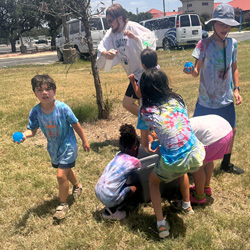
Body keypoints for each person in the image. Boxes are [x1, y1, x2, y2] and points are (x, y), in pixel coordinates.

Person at [137, 68, 205, 238]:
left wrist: (151, 141)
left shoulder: (145, 111)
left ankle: (161, 225)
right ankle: (187, 205)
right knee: (182, 169)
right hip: (196, 154)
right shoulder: (178, 99)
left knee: (153, 182)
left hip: (174, 161)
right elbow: (178, 125)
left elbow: (145, 143)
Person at [14, 75, 90, 220]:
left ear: (54, 91)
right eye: (39, 90)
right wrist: (24, 135)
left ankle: (63, 205)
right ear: (35, 93)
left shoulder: (62, 108)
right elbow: (33, 130)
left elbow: (76, 124)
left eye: (48, 89)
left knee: (61, 174)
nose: (44, 93)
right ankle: (77, 186)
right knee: (66, 170)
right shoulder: (35, 112)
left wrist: (84, 141)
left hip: (68, 145)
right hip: (54, 147)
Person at [184, 3, 243, 174]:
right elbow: (196, 72)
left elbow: (235, 68)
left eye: (228, 25)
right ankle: (192, 165)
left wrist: (237, 89)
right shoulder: (203, 44)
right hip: (206, 100)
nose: (225, 28)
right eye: (221, 24)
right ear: (213, 24)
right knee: (196, 134)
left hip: (225, 98)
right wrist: (189, 70)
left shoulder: (233, 44)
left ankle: (226, 164)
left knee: (231, 130)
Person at [96, 3, 156, 116]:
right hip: (133, 75)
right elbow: (101, 46)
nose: (109, 24)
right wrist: (105, 53)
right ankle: (149, 125)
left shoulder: (132, 26)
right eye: (107, 21)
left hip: (145, 73)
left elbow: (150, 40)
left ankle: (149, 120)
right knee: (142, 104)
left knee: (127, 103)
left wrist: (136, 38)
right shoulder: (111, 33)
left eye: (110, 21)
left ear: (120, 18)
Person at [95, 124, 141, 220]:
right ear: (136, 148)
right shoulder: (135, 162)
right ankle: (112, 211)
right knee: (136, 187)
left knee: (122, 184)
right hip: (109, 196)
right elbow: (142, 173)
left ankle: (113, 203)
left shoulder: (118, 155)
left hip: (98, 190)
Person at [189, 115, 233, 204]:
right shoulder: (188, 122)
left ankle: (199, 197)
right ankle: (206, 187)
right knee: (208, 160)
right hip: (227, 131)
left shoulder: (181, 131)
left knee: (197, 166)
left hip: (215, 137)